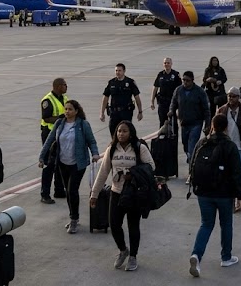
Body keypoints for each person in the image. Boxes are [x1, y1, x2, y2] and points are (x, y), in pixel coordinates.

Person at [89, 120, 154, 272]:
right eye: (119, 131)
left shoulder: (140, 148)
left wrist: (133, 174)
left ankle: (133, 257)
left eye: (124, 131)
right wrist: (94, 194)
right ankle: (123, 250)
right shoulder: (112, 149)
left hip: (134, 193)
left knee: (133, 226)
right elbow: (103, 172)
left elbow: (151, 166)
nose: (121, 134)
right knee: (114, 224)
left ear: (130, 133)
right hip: (116, 191)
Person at [188, 114, 241, 277]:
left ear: (212, 126)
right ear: (226, 127)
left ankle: (196, 255)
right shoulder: (230, 146)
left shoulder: (202, 143)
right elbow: (237, 173)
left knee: (206, 224)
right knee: (226, 224)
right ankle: (226, 257)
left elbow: (192, 164)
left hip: (204, 192)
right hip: (224, 194)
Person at [38, 99, 100, 233]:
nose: (67, 111)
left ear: (76, 111)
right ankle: (73, 217)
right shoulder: (59, 123)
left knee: (72, 190)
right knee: (68, 190)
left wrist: (95, 154)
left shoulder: (83, 125)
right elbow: (49, 140)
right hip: (62, 163)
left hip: (78, 164)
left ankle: (74, 219)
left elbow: (92, 141)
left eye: (70, 109)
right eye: (66, 109)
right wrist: (42, 157)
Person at [169, 71, 212, 168]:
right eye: (183, 80)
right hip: (184, 123)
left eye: (187, 80)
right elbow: (173, 103)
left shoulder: (200, 92)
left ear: (192, 80)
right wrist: (171, 111)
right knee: (185, 145)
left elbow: (206, 109)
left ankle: (191, 171)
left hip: (196, 123)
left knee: (192, 146)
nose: (185, 82)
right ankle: (190, 157)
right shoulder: (179, 90)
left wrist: (207, 124)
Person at [39, 77, 68, 203]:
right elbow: (46, 118)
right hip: (49, 134)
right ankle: (45, 194)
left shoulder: (65, 98)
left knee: (60, 163)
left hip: (61, 133)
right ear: (57, 86)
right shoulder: (47, 100)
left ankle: (59, 190)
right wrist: (60, 118)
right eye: (64, 85)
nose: (66, 87)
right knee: (49, 164)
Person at [100, 63, 143, 139]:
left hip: (126, 113)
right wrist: (102, 112)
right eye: (116, 70)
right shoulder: (111, 82)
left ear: (124, 71)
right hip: (114, 113)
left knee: (126, 134)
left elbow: (137, 97)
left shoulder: (130, 82)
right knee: (113, 134)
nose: (118, 72)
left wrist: (140, 112)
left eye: (119, 70)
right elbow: (105, 97)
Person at [151, 57, 182, 127]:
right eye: (165, 63)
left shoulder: (176, 74)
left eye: (168, 63)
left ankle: (173, 136)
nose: (166, 64)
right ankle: (162, 136)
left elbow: (180, 89)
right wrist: (152, 101)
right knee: (162, 121)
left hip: (172, 102)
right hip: (162, 102)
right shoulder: (160, 74)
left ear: (171, 64)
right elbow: (155, 87)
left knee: (173, 122)